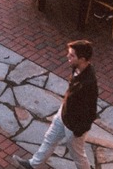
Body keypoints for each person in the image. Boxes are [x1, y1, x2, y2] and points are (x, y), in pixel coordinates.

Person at [12, 40, 98, 169]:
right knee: (50, 139)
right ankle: (33, 165)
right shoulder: (77, 68)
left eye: (72, 56)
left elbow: (91, 111)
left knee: (77, 155)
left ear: (82, 59)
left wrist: (78, 131)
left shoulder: (89, 83)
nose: (67, 57)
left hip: (73, 125)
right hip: (63, 114)